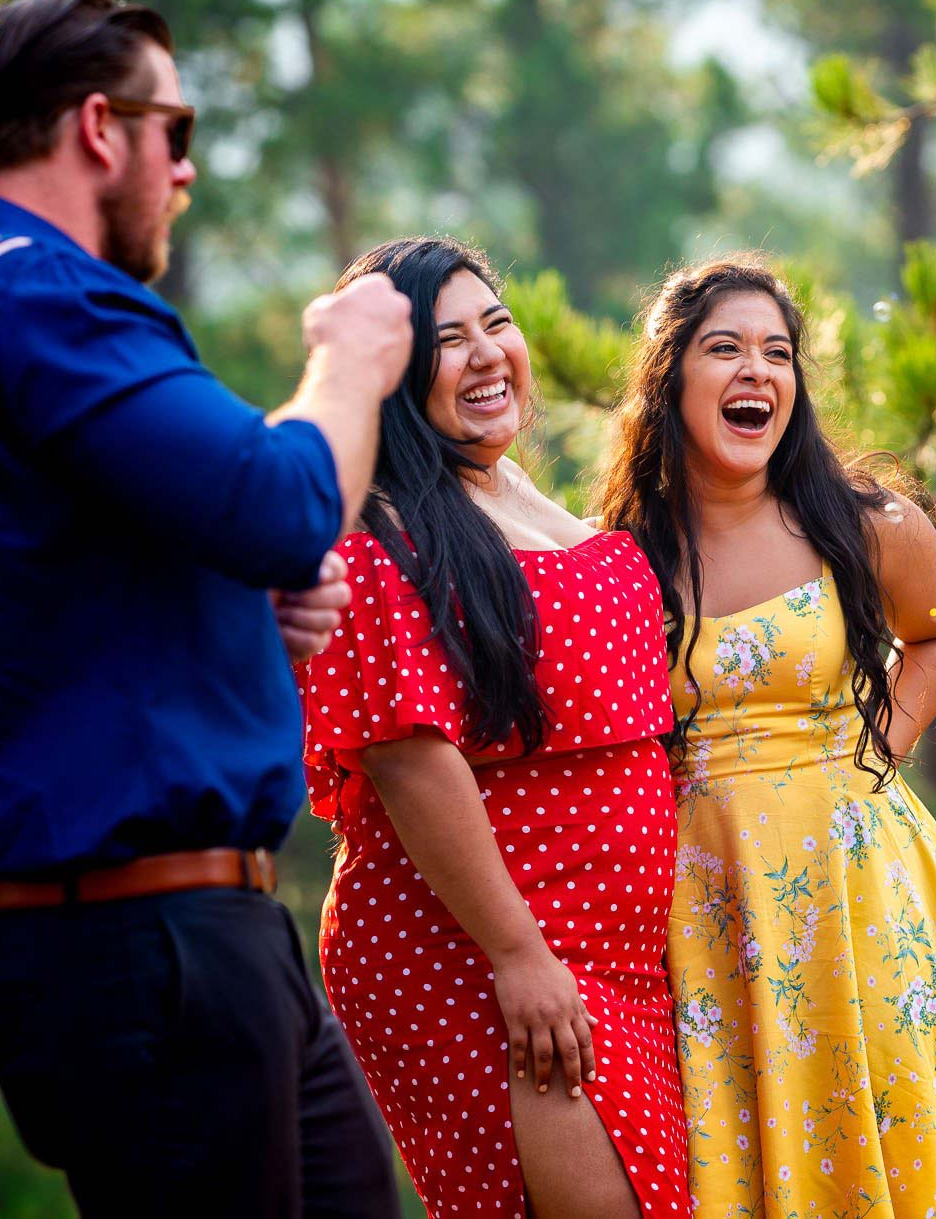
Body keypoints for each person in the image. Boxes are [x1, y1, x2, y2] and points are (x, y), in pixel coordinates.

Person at [0, 0, 413, 1217]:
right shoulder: (37, 302)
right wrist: (352, 352)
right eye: (175, 125)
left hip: (166, 942)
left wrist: (228, 617)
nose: (186, 167)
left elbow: (23, 609)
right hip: (144, 952)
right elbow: (285, 501)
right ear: (101, 127)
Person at [594, 257, 936, 1219]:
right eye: (724, 348)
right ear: (669, 375)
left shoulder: (864, 524)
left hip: (857, 885)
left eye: (778, 352)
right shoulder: (620, 556)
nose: (755, 372)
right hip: (707, 897)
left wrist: (871, 756)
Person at [295, 237, 689, 1219]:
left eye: (495, 324)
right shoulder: (382, 525)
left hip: (621, 958)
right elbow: (406, 756)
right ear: (389, 377)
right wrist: (520, 958)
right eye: (445, 341)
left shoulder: (526, 500)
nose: (484, 355)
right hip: (488, 948)